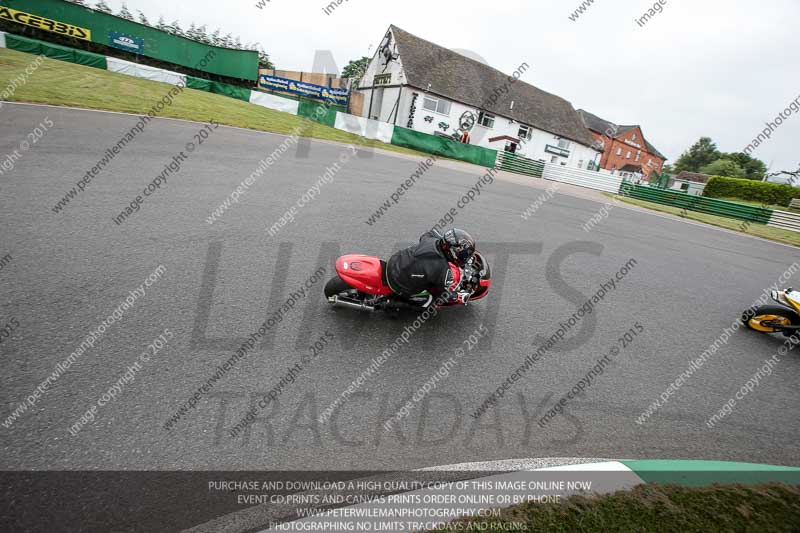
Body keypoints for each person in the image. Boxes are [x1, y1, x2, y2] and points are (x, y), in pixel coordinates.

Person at [386, 228, 476, 305]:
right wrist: (458, 296)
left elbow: (428, 233)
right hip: (398, 282)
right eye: (463, 254)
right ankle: (403, 304)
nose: (464, 257)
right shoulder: (443, 271)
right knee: (432, 299)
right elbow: (443, 296)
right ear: (453, 252)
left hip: (394, 261)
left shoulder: (430, 239)